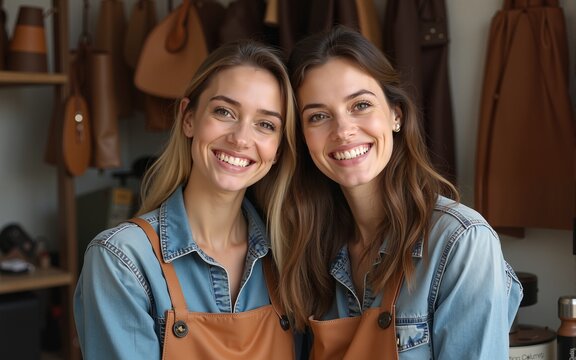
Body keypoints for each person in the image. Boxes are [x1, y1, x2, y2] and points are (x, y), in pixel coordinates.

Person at [278, 25, 523, 359]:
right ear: (302, 137)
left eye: (360, 105)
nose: (343, 130)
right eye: (318, 116)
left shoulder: (461, 242)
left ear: (395, 114)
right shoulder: (306, 247)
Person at [74, 39, 298, 359]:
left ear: (278, 150)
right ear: (188, 118)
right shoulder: (122, 260)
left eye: (266, 124)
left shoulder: (290, 258)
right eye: (224, 111)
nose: (241, 138)